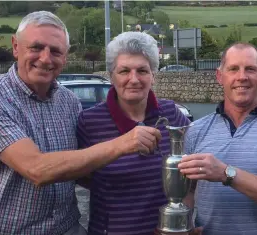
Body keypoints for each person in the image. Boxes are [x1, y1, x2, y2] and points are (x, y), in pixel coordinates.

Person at [0, 11, 162, 235]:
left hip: (68, 228)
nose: (46, 58)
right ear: (16, 47)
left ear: (65, 57)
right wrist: (123, 144)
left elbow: (82, 169)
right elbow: (36, 169)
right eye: (36, 47)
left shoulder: (69, 102)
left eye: (56, 51)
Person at [177, 42, 257, 235]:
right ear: (220, 76)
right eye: (233, 69)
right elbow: (188, 192)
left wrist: (226, 173)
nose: (242, 77)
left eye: (250, 69)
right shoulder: (196, 130)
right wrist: (184, 226)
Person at [75, 31, 191, 235]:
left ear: (153, 75)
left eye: (142, 71)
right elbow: (80, 175)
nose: (134, 79)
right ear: (111, 76)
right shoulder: (89, 122)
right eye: (124, 71)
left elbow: (193, 175)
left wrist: (181, 221)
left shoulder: (171, 114)